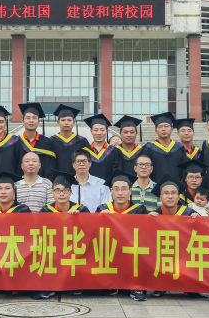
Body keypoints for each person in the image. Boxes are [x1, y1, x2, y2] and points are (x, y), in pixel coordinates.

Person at [33, 171, 89, 301]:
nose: (61, 193)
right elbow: (39, 233)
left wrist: (78, 218)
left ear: (70, 193)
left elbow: (89, 232)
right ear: (52, 193)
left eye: (65, 190)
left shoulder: (81, 209)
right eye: (57, 190)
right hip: (53, 250)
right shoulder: (46, 211)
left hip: (74, 250)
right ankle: (49, 286)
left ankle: (75, 284)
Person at [97, 173, 148, 301]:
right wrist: (100, 218)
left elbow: (144, 235)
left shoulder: (139, 210)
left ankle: (136, 286)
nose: (120, 193)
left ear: (130, 191)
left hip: (130, 250)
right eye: (116, 189)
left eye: (124, 189)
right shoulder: (103, 209)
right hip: (110, 251)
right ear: (111, 191)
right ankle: (109, 284)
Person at [17, 102, 58, 178]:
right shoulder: (16, 142)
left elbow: (50, 167)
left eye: (34, 118)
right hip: (19, 183)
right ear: (22, 121)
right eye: (28, 118)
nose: (31, 120)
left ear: (39, 121)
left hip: (42, 183)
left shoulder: (48, 143)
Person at [143, 112, 183, 183]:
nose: (163, 129)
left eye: (166, 126)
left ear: (172, 129)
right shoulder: (148, 148)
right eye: (160, 126)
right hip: (155, 187)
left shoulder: (179, 147)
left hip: (176, 187)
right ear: (156, 130)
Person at [50, 104, 89, 177]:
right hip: (56, 180)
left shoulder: (82, 141)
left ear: (73, 123)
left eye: (69, 120)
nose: (66, 122)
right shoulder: (52, 141)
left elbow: (88, 162)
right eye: (63, 120)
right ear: (58, 123)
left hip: (77, 179)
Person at [82, 113, 120, 181]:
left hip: (109, 186)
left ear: (106, 131)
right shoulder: (84, 152)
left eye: (102, 130)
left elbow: (117, 173)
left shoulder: (115, 151)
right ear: (91, 131)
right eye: (96, 130)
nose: (99, 133)